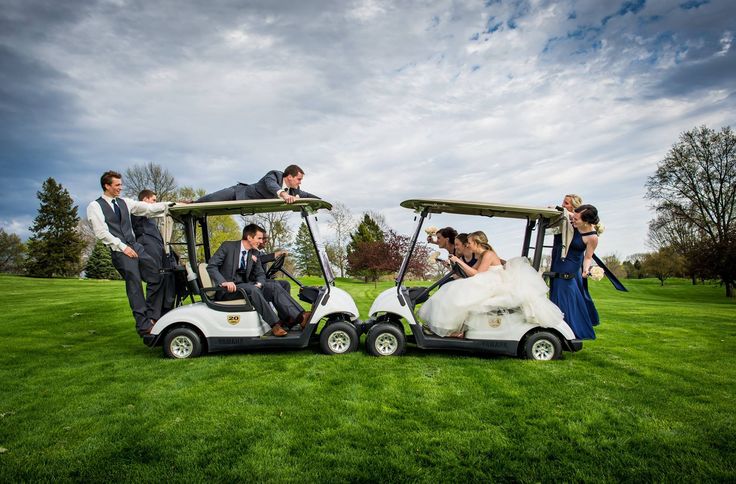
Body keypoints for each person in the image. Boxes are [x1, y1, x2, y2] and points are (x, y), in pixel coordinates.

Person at [419, 231, 565, 338]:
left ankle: (456, 331)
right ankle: (453, 329)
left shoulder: (488, 254)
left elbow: (478, 274)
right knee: (451, 288)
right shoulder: (483, 255)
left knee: (459, 293)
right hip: (486, 281)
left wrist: (459, 261)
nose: (468, 245)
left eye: (469, 242)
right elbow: (473, 271)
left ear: (476, 243)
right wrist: (457, 269)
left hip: (493, 284)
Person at [87, 171, 173, 336]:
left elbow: (148, 208)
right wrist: (122, 247)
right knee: (134, 285)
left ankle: (152, 316)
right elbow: (101, 232)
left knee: (158, 274)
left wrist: (174, 204)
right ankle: (143, 325)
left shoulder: (125, 202)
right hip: (119, 250)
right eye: (117, 185)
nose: (120, 187)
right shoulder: (95, 206)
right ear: (107, 185)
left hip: (135, 246)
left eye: (120, 184)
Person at [207, 224, 309, 337]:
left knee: (273, 286)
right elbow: (211, 266)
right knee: (252, 289)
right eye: (259, 238)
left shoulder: (254, 252)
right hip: (228, 290)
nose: (261, 241)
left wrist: (260, 283)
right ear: (249, 237)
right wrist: (224, 282)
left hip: (245, 286)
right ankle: (275, 324)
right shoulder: (228, 247)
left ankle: (300, 317)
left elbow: (260, 273)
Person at [549, 204, 600, 340]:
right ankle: (557, 333)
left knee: (565, 305)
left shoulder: (592, 237)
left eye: (576, 219)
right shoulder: (575, 219)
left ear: (587, 221)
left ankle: (567, 335)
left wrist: (585, 271)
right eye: (574, 217)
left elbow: (588, 257)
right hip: (557, 267)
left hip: (569, 274)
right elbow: (564, 213)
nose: (573, 220)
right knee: (555, 300)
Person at [131, 189, 176, 323]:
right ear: (145, 199)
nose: (155, 202)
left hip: (157, 244)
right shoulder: (138, 209)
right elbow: (153, 209)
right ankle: (151, 317)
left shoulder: (149, 216)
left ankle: (164, 312)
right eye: (153, 200)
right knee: (155, 276)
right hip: (148, 244)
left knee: (167, 275)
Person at [197, 165, 319, 203]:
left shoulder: (293, 190)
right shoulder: (274, 175)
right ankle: (191, 202)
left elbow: (306, 194)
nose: (300, 182)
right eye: (298, 179)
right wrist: (284, 195)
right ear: (290, 177)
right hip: (238, 193)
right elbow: (271, 185)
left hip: (246, 205)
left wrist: (322, 202)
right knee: (212, 199)